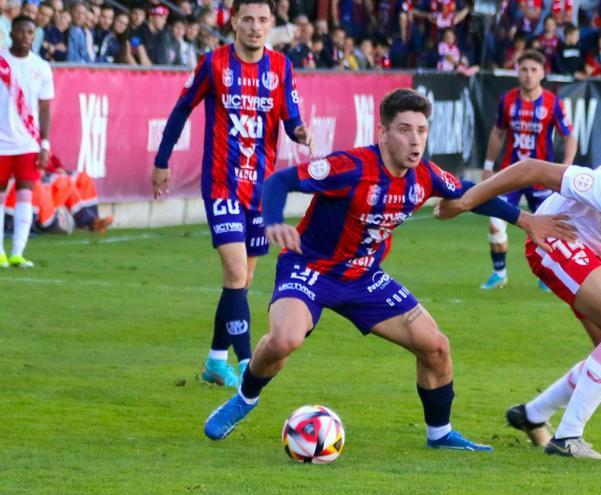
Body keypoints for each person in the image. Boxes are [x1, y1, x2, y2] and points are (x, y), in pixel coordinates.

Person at [202, 88, 576, 448]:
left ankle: (440, 434)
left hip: (364, 278)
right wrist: (272, 221)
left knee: (436, 347)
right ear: (382, 133)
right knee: (284, 340)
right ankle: (245, 399)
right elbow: (281, 180)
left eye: (422, 131)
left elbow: (467, 193)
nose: (416, 140)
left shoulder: (424, 176)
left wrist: (524, 219)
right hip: (311, 269)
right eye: (404, 130)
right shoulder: (350, 167)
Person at [436, 134, 601, 460]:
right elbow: (531, 168)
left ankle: (532, 414)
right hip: (556, 238)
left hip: (599, 253)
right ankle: (568, 437)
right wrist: (466, 202)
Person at [151, 0, 313, 388]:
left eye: (262, 21)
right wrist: (162, 161)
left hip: (261, 190)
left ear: (270, 24)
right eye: (248, 20)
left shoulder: (280, 67)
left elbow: (290, 117)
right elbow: (180, 110)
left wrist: (300, 132)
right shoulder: (213, 64)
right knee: (236, 273)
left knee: (242, 281)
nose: (255, 27)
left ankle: (214, 361)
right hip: (222, 185)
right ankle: (246, 368)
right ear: (234, 23)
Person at [481, 50, 576, 290]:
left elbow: (569, 136)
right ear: (517, 72)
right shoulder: (508, 100)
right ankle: (499, 273)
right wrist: (488, 166)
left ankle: (546, 276)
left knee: (550, 227)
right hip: (510, 174)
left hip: (542, 179)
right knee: (495, 223)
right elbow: (498, 132)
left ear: (543, 73)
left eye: (534, 70)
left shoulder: (553, 103)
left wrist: (565, 167)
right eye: (524, 69)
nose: (528, 75)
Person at [0, 15, 53, 268]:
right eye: (20, 31)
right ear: (11, 33)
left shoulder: (41, 67)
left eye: (30, 32)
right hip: (1, 142)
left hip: (28, 143)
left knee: (25, 195)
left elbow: (45, 108)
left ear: (35, 36)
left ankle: (18, 253)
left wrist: (45, 144)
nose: (25, 36)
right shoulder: (1, 61)